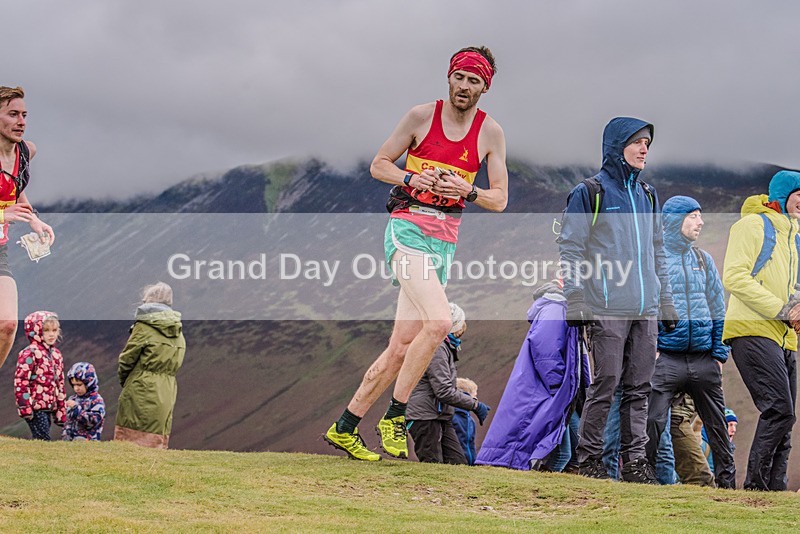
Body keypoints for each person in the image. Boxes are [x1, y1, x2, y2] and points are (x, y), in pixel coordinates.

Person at [324, 46, 508, 461]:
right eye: (459, 77)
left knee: (402, 348)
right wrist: (412, 177)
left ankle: (345, 426)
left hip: (445, 240)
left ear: (484, 87)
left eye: (474, 81)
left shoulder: (490, 132)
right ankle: (395, 414)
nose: (464, 86)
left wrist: (468, 190)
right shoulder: (421, 117)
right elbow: (378, 164)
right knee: (439, 322)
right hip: (407, 228)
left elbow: (499, 199)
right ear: (449, 77)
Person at [558, 117, 678, 483]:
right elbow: (571, 247)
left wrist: (666, 300)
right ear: (616, 146)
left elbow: (658, 251)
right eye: (637, 142)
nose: (644, 149)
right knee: (606, 383)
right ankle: (589, 460)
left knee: (640, 388)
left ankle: (636, 464)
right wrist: (575, 297)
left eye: (647, 144)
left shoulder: (648, 195)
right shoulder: (590, 192)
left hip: (646, 308)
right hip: (605, 305)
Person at [644, 195, 735, 488]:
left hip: (703, 358)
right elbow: (645, 306)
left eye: (700, 215)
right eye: (693, 216)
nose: (701, 222)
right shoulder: (654, 259)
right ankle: (644, 482)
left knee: (718, 425)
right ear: (675, 220)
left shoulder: (703, 260)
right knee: (652, 421)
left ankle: (727, 487)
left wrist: (719, 354)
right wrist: (653, 348)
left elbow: (719, 308)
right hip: (666, 358)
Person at [723, 170, 800, 491]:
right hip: (751, 329)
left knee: (787, 417)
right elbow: (734, 276)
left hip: (784, 336)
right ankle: (755, 486)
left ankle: (775, 491)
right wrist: (783, 310)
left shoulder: (794, 238)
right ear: (783, 196)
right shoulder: (753, 225)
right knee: (778, 409)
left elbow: (791, 287)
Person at [475, 280, 590, 470]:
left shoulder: (561, 308)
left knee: (569, 451)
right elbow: (545, 350)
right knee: (563, 453)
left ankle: (543, 483)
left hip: (560, 393)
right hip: (552, 393)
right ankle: (536, 483)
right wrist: (557, 385)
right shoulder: (556, 308)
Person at [0, 86, 55, 369]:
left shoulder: (25, 152)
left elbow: (15, 188)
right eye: (13, 114)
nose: (21, 121)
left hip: (0, 250)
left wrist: (33, 218)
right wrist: (2, 214)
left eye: (24, 115)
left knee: (7, 324)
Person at [405, 303, 490, 464]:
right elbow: (443, 390)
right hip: (425, 416)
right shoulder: (436, 348)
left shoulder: (444, 346)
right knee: (433, 464)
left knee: (458, 463)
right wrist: (475, 405)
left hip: (439, 415)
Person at [115, 282, 186, 449]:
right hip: (167, 390)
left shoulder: (144, 327)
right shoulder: (178, 331)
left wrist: (128, 381)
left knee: (130, 442)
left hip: (141, 386)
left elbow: (127, 359)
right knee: (156, 442)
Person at [13, 311, 66, 440]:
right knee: (43, 438)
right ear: (35, 331)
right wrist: (25, 407)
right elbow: (21, 382)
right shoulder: (29, 353)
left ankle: (37, 452)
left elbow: (60, 383)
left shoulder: (56, 355)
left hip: (49, 405)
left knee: (41, 437)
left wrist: (60, 410)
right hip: (35, 405)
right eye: (46, 330)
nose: (51, 334)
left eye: (54, 330)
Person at [62, 362, 106, 441]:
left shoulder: (96, 400)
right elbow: (67, 421)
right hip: (69, 441)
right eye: (74, 385)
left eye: (79, 385)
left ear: (89, 383)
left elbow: (94, 421)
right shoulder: (73, 398)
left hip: (88, 442)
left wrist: (76, 410)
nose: (76, 388)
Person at [452, 377, 479, 465]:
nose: (476, 400)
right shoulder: (452, 417)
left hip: (469, 464)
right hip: (456, 463)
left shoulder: (470, 419)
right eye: (474, 396)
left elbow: (471, 444)